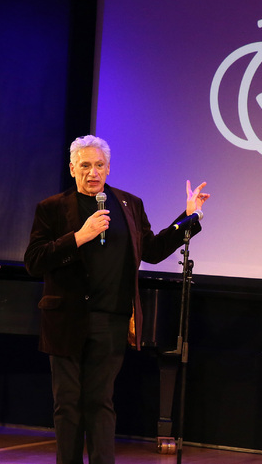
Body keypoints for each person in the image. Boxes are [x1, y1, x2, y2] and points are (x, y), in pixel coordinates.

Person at [24, 135, 209, 464]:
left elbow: (151, 251)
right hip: (65, 320)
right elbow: (34, 260)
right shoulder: (51, 209)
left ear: (108, 169)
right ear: (71, 169)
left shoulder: (130, 205)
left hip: (111, 319)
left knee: (100, 402)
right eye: (84, 166)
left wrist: (190, 217)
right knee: (67, 403)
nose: (92, 172)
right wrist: (79, 237)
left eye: (98, 165)